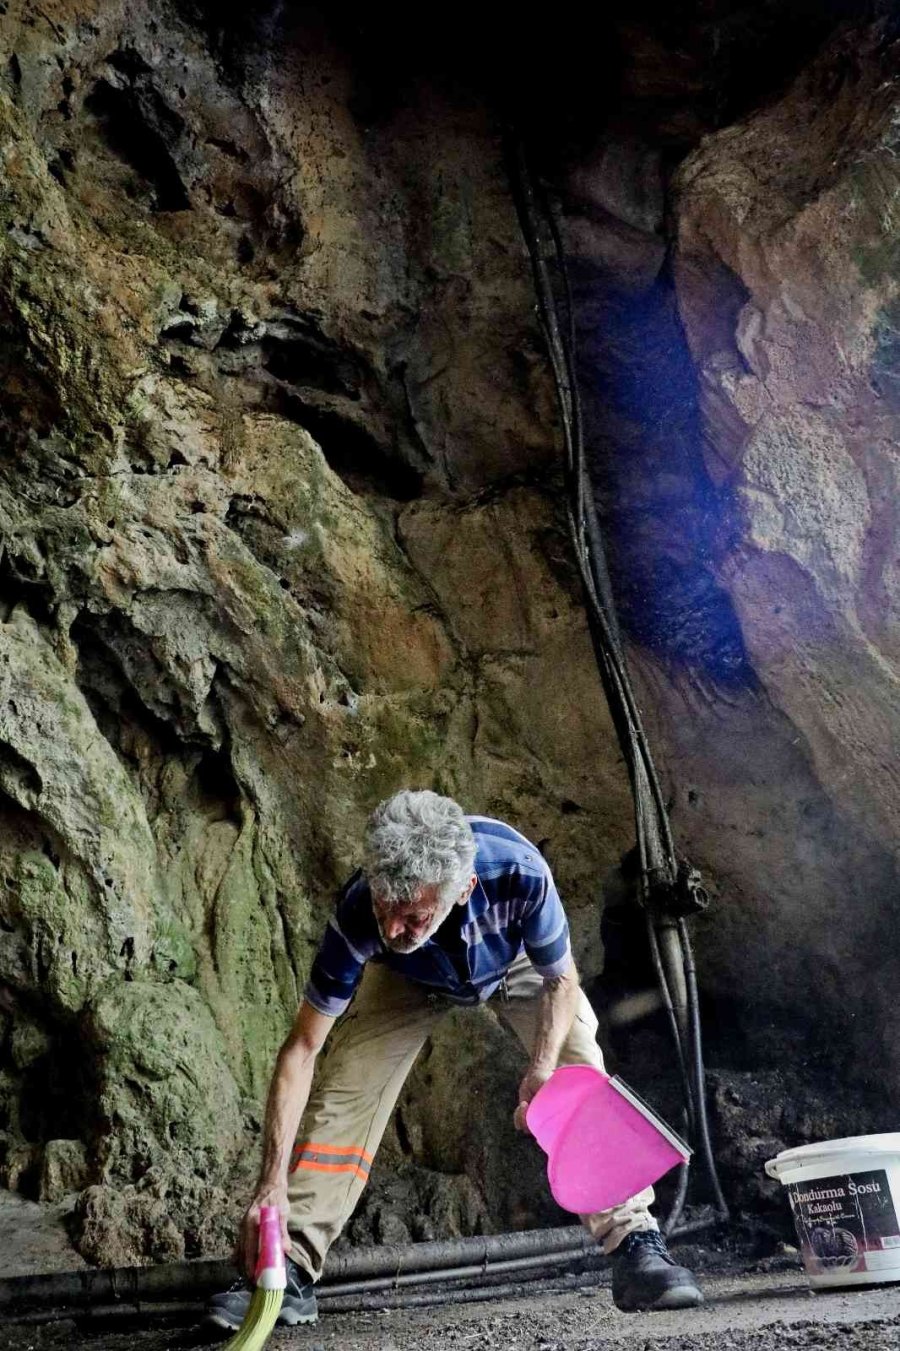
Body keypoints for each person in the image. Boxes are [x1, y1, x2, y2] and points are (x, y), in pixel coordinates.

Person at [205, 790, 702, 1333]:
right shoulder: (362, 916)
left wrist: (540, 1069)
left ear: (462, 889)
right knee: (346, 1085)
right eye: (384, 909)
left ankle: (636, 1243)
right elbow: (302, 1049)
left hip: (513, 959)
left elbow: (561, 980)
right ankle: (287, 1267)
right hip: (406, 977)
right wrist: (269, 1184)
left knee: (577, 1065)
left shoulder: (520, 874)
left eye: (412, 914)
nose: (393, 928)